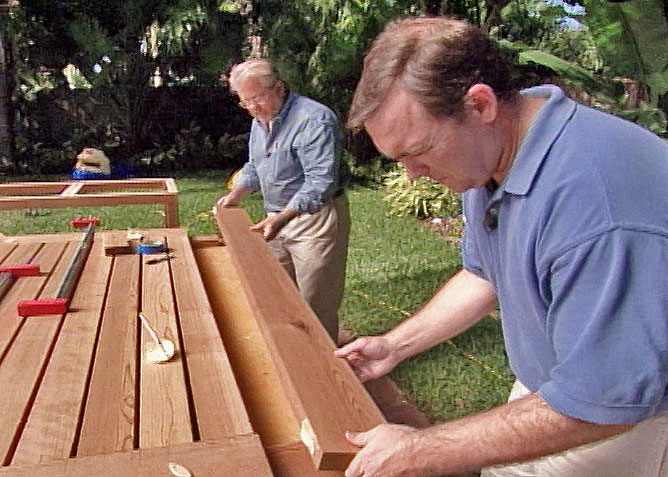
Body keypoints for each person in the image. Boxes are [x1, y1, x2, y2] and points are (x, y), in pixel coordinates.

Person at [334, 16, 668, 477]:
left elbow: (605, 398)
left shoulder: (599, 207)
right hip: (555, 389)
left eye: (418, 150)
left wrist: (424, 449)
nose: (412, 173)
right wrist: (395, 346)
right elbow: (484, 273)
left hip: (624, 422)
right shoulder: (490, 157)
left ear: (480, 103)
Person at [217, 58, 350, 342]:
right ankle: (292, 353)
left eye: (256, 99)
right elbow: (256, 165)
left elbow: (320, 183)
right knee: (277, 292)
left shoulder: (314, 119)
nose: (252, 108)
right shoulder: (261, 119)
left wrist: (283, 216)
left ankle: (325, 369)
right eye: (245, 102)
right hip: (275, 216)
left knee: (315, 301)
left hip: (314, 218)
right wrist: (235, 196)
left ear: (278, 88)